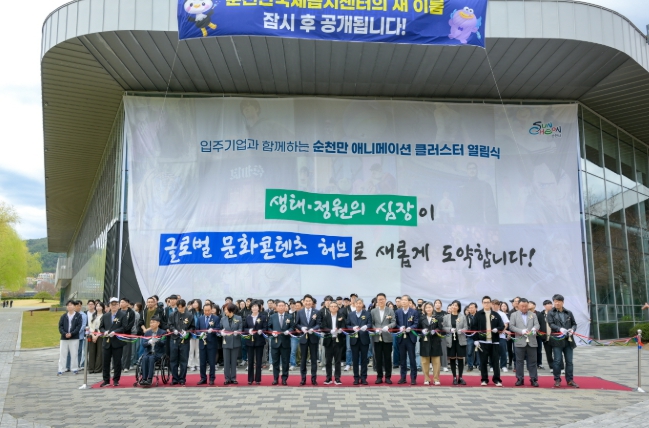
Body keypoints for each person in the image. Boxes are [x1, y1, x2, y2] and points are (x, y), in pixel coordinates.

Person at [547, 294, 579, 388]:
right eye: (555, 302)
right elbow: (551, 324)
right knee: (557, 360)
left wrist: (572, 329)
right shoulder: (551, 313)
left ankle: (570, 380)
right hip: (557, 339)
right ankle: (557, 379)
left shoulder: (568, 312)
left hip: (568, 340)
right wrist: (560, 329)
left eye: (558, 301)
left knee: (569, 361)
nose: (557, 303)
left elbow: (574, 324)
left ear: (562, 302)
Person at [472, 295, 504, 387]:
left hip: (494, 342)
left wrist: (497, 329)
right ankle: (484, 379)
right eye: (484, 302)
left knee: (495, 361)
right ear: (482, 303)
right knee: (483, 362)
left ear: (491, 303)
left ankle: (497, 379)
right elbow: (473, 328)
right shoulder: (478, 315)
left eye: (488, 302)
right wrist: (476, 340)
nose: (486, 304)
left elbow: (502, 326)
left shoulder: (496, 314)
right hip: (482, 341)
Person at [509, 298, 540, 387]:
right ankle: (520, 379)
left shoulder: (533, 314)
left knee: (533, 361)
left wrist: (534, 329)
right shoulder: (514, 315)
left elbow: (537, 324)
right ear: (518, 306)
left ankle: (533, 379)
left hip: (531, 341)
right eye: (522, 306)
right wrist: (521, 331)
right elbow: (511, 326)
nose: (524, 308)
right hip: (520, 341)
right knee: (519, 361)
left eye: (526, 306)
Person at [99, 297, 128, 387]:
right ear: (109, 305)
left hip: (117, 342)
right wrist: (104, 331)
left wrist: (115, 332)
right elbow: (101, 327)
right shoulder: (105, 315)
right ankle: (106, 380)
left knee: (117, 362)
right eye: (112, 304)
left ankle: (116, 379)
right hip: (107, 342)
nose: (114, 306)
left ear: (119, 305)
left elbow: (124, 327)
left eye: (116, 304)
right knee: (105, 362)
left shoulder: (122, 315)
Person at [371, 293, 396, 384]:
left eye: (382, 299)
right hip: (377, 337)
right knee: (378, 358)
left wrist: (388, 326)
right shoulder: (373, 311)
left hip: (387, 337)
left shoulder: (390, 311)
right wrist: (375, 329)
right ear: (377, 301)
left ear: (385, 300)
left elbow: (394, 322)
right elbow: (371, 323)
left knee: (387, 358)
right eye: (379, 299)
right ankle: (379, 376)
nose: (380, 301)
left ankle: (388, 377)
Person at [168, 299, 194, 385]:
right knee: (173, 359)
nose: (180, 309)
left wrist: (187, 332)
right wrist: (173, 330)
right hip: (174, 339)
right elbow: (170, 325)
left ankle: (182, 378)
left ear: (184, 306)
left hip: (184, 340)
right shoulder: (172, 315)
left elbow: (193, 327)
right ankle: (175, 378)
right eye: (178, 307)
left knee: (184, 360)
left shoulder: (189, 315)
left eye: (181, 307)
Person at [296, 294, 321, 385]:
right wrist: (301, 328)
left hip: (313, 337)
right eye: (306, 301)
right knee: (303, 359)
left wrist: (313, 329)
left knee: (314, 359)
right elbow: (297, 324)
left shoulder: (316, 312)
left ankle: (314, 378)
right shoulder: (300, 312)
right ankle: (303, 378)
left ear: (312, 302)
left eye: (309, 301)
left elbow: (319, 323)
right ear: (303, 302)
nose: (308, 302)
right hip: (303, 337)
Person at [443, 300, 469, 385]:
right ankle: (454, 377)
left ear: (459, 307)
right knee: (452, 358)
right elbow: (443, 327)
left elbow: (466, 327)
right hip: (450, 339)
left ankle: (460, 377)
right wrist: (450, 329)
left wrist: (462, 330)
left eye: (456, 305)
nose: (454, 307)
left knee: (461, 358)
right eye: (453, 305)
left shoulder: (463, 316)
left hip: (460, 339)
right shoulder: (446, 317)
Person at [347, 297, 372, 385]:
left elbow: (370, 323)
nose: (358, 305)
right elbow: (347, 325)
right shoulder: (351, 314)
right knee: (355, 359)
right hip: (354, 339)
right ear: (354, 304)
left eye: (360, 303)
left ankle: (364, 377)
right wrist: (352, 328)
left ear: (362, 304)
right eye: (357, 303)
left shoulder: (367, 313)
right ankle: (356, 378)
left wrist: (366, 326)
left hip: (364, 339)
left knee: (364, 359)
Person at [321, 300, 346, 385]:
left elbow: (344, 326)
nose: (333, 308)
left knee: (337, 360)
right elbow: (323, 327)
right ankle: (328, 377)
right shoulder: (326, 317)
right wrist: (330, 331)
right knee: (328, 360)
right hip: (329, 340)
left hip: (338, 340)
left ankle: (337, 378)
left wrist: (340, 330)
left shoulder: (341, 316)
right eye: (332, 306)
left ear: (338, 308)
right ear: (329, 308)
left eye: (335, 306)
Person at [396, 295, 419, 385]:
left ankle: (413, 378)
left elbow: (416, 323)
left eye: (405, 300)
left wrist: (411, 327)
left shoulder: (414, 312)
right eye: (402, 300)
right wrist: (399, 327)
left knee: (412, 358)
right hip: (401, 337)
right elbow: (396, 323)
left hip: (410, 338)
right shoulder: (397, 312)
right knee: (402, 359)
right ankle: (403, 377)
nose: (403, 301)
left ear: (409, 302)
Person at [268, 300, 292, 385]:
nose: (281, 307)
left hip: (285, 342)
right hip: (275, 342)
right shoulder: (272, 316)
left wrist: (289, 331)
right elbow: (268, 327)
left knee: (285, 362)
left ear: (285, 307)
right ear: (276, 307)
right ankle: (275, 378)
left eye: (283, 306)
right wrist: (272, 332)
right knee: (275, 362)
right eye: (279, 306)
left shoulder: (289, 316)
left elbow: (292, 327)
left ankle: (284, 378)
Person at [419, 301, 443, 385]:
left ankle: (436, 379)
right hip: (425, 341)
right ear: (424, 309)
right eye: (426, 307)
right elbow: (418, 329)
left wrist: (435, 330)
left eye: (429, 307)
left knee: (436, 361)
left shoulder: (438, 317)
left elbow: (441, 328)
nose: (428, 309)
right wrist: (422, 331)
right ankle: (426, 378)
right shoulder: (421, 318)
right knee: (425, 361)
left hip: (435, 340)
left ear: (433, 308)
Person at [138, 315, 166, 387]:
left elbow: (163, 343)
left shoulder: (163, 332)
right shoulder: (147, 333)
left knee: (151, 358)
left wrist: (157, 341)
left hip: (157, 353)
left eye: (153, 322)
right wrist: (149, 342)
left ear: (158, 323)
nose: (151, 324)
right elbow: (144, 344)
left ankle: (150, 378)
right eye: (150, 322)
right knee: (144, 358)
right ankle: (144, 378)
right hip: (148, 352)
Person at [196, 302, 220, 385]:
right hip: (202, 342)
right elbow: (197, 329)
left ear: (211, 310)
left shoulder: (216, 318)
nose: (207, 312)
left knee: (212, 362)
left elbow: (218, 328)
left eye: (208, 310)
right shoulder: (200, 318)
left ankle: (212, 378)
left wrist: (213, 330)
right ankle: (203, 378)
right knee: (202, 362)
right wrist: (200, 334)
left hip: (211, 343)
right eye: (205, 310)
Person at [243, 301, 267, 385]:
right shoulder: (248, 317)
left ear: (259, 308)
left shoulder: (263, 317)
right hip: (250, 341)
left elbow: (265, 328)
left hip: (259, 341)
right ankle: (250, 379)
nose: (254, 308)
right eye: (253, 307)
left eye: (256, 306)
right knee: (250, 360)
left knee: (259, 361)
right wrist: (248, 330)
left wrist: (262, 330)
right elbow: (244, 328)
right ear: (251, 308)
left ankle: (258, 379)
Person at [57, 300, 83, 376]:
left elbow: (78, 327)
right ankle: (61, 369)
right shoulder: (63, 316)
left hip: (74, 338)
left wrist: (71, 333)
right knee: (62, 354)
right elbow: (60, 327)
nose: (69, 306)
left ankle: (74, 369)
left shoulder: (78, 316)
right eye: (68, 305)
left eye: (71, 305)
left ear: (74, 306)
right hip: (64, 338)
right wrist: (65, 333)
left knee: (74, 353)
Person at [221, 302, 243, 385]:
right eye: (224, 310)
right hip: (226, 342)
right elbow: (220, 329)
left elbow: (241, 329)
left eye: (226, 310)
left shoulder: (238, 318)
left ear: (231, 310)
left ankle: (233, 378)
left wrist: (238, 332)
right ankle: (227, 378)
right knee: (226, 361)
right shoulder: (223, 319)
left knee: (234, 361)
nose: (225, 311)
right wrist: (221, 333)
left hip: (235, 341)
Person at [119, 298, 136, 372]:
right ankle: (116, 366)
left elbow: (131, 323)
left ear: (127, 303)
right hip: (117, 333)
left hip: (127, 333)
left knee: (127, 351)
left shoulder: (131, 312)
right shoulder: (118, 311)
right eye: (120, 302)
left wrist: (125, 329)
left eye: (123, 302)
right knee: (117, 350)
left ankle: (126, 366)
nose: (121, 303)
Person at [86, 301, 104, 374]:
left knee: (99, 352)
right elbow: (90, 326)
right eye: (97, 306)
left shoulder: (104, 316)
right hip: (92, 334)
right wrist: (93, 334)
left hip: (100, 335)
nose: (98, 307)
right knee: (92, 351)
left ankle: (98, 368)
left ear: (102, 307)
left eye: (100, 306)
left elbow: (103, 327)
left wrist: (97, 335)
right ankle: (91, 368)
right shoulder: (93, 315)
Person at [433, 299, 448, 372]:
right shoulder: (432, 313)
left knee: (443, 350)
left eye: (439, 303)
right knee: (434, 350)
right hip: (434, 334)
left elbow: (446, 323)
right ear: (434, 305)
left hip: (442, 334)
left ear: (441, 305)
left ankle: (444, 366)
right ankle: (435, 366)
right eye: (436, 303)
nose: (437, 304)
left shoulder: (445, 313)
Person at [529, 301, 545, 370]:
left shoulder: (539, 314)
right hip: (529, 335)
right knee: (529, 350)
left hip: (537, 335)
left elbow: (542, 324)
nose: (529, 305)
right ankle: (531, 363)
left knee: (538, 350)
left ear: (534, 305)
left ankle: (539, 363)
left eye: (530, 304)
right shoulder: (526, 313)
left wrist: (538, 332)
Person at [496, 300, 510, 372]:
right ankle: (492, 365)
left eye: (497, 305)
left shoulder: (502, 314)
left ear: (499, 306)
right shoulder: (489, 313)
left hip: (501, 336)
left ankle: (503, 365)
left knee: (503, 351)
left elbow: (506, 324)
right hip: (492, 336)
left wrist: (501, 330)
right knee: (493, 352)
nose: (495, 306)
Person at [188, 299, 203, 372]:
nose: (194, 304)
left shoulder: (202, 312)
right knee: (191, 350)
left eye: (196, 303)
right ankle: (191, 365)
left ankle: (198, 364)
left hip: (200, 333)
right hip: (192, 333)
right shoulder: (190, 312)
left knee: (198, 350)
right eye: (193, 303)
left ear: (199, 304)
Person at [465, 302, 480, 371]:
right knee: (469, 352)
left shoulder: (479, 316)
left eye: (472, 308)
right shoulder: (466, 317)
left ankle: (480, 365)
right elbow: (466, 326)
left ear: (476, 308)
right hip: (470, 336)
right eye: (469, 308)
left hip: (479, 336)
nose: (470, 309)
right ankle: (470, 366)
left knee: (479, 352)